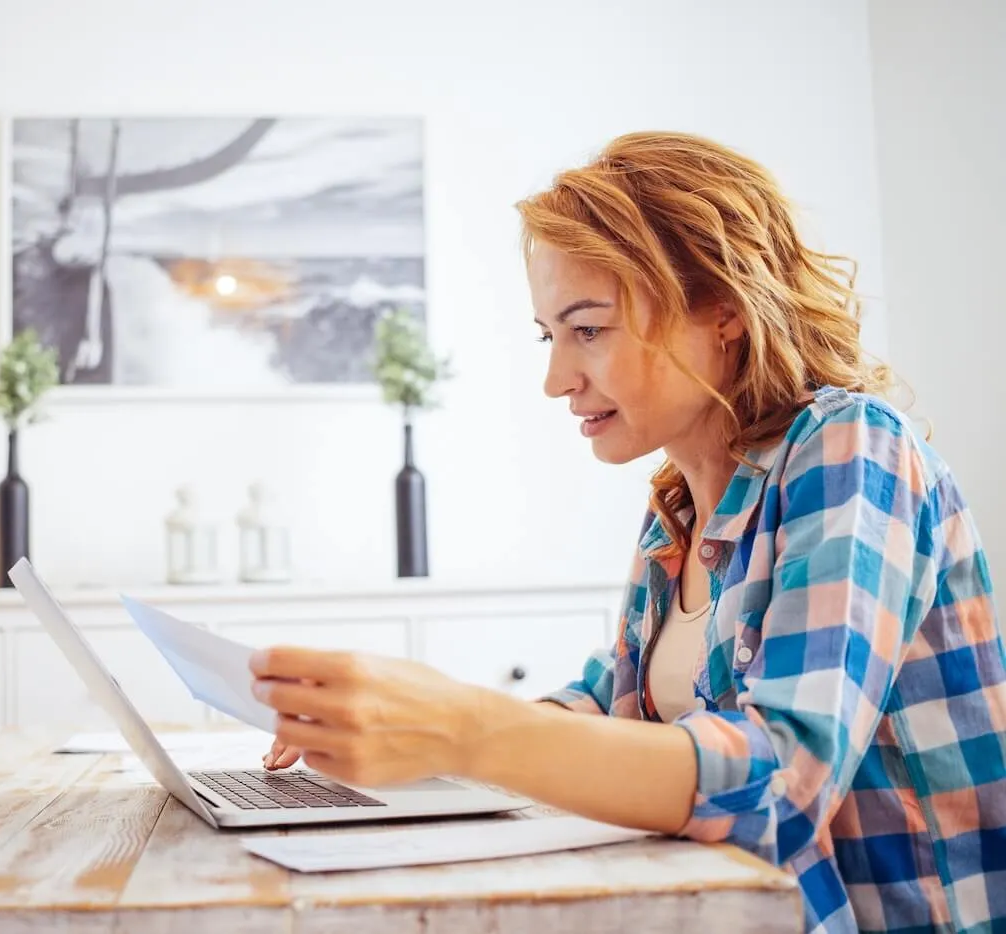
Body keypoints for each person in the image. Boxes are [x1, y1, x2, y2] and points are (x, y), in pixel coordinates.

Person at [247, 131, 1006, 934]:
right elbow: (619, 708)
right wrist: (408, 729)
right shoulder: (678, 506)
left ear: (722, 311)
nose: (555, 379)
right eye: (550, 334)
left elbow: (785, 783)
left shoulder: (852, 446)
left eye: (589, 329)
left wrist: (466, 729)